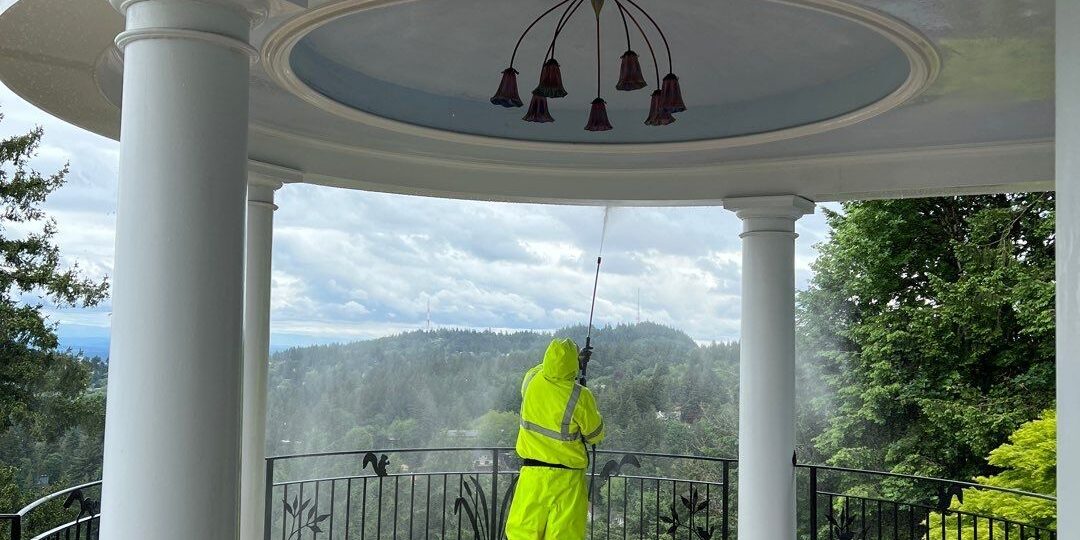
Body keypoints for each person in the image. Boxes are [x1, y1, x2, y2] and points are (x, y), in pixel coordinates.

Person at [505, 338, 605, 540]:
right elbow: (595, 435)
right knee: (564, 534)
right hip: (567, 480)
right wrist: (577, 366)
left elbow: (553, 366)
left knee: (523, 533)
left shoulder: (531, 379)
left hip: (532, 476)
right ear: (573, 361)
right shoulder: (580, 395)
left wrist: (571, 361)